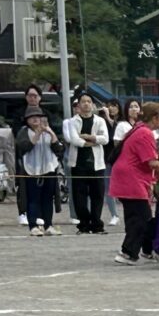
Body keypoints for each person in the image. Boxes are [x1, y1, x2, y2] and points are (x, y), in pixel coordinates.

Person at [108, 101, 159, 265]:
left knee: (140, 216)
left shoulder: (137, 128)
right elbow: (151, 161)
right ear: (154, 117)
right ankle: (128, 252)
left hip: (125, 177)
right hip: (132, 180)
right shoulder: (145, 133)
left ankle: (148, 249)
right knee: (140, 219)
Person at [63, 94, 109, 235]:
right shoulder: (72, 121)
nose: (86, 104)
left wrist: (90, 137)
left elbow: (105, 139)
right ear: (79, 105)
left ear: (93, 105)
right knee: (79, 196)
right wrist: (90, 143)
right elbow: (74, 139)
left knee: (98, 195)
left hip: (97, 164)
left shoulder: (100, 120)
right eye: (83, 101)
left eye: (89, 101)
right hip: (78, 163)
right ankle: (84, 224)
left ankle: (96, 224)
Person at [16, 109, 58, 237]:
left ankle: (48, 225)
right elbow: (24, 147)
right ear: (27, 120)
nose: (35, 119)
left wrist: (51, 133)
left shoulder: (48, 131)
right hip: (31, 169)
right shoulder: (24, 132)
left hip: (49, 169)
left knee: (48, 199)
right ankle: (33, 226)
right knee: (33, 199)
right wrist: (37, 135)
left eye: (38, 117)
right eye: (32, 117)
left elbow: (58, 148)